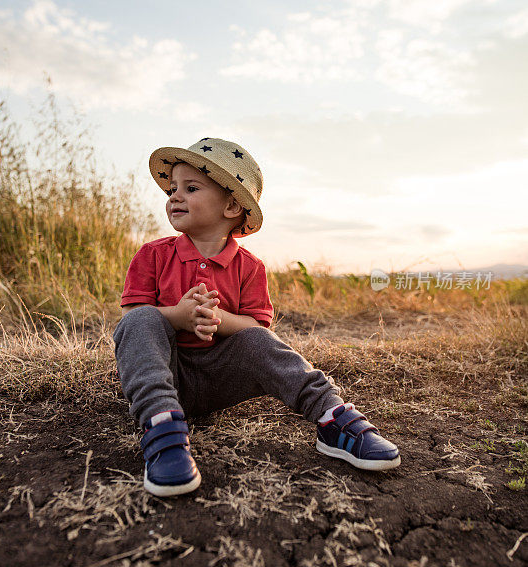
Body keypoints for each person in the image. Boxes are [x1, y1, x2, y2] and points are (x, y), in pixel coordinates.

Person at [113, 137, 400, 497]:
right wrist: (179, 316)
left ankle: (333, 418)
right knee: (141, 323)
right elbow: (132, 319)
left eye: (191, 187)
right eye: (172, 189)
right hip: (165, 374)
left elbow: (256, 328)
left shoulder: (250, 267)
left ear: (232, 206)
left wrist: (217, 317)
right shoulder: (153, 255)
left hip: (221, 379)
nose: (174, 196)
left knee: (259, 341)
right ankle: (163, 433)